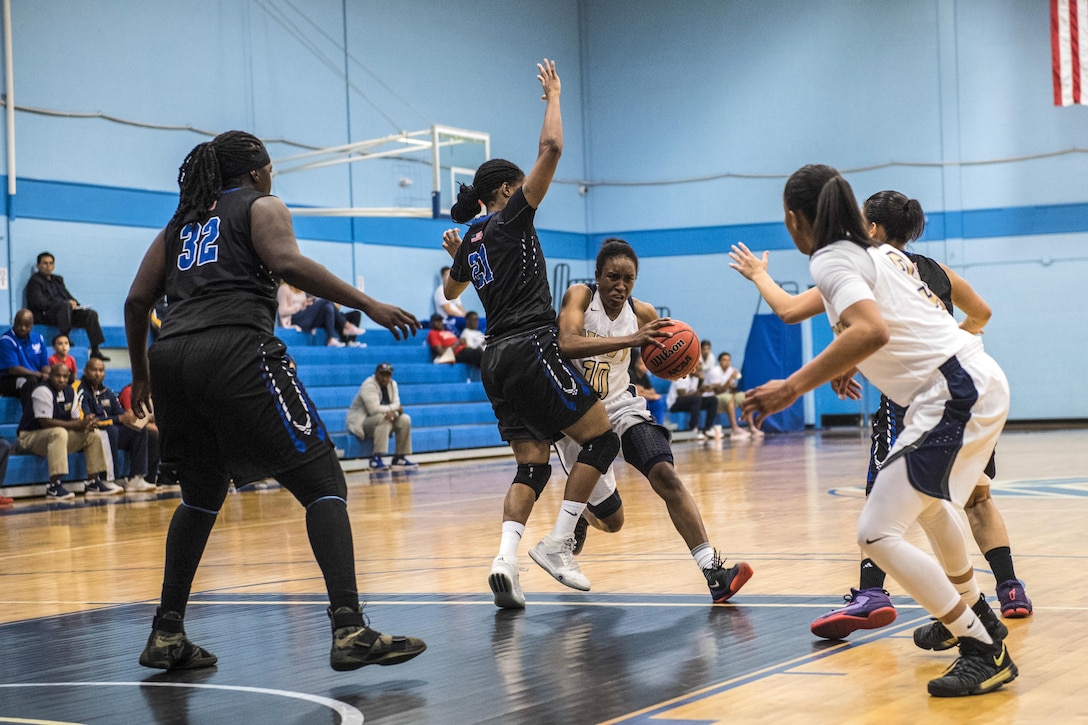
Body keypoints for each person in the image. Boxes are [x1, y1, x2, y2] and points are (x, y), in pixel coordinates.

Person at [124, 130, 425, 672]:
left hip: (171, 360)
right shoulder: (262, 205)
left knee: (200, 496)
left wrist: (142, 373)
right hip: (235, 348)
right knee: (323, 482)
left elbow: (136, 298)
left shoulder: (180, 223)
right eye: (270, 167)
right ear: (258, 171)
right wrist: (369, 304)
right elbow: (286, 262)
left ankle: (166, 632)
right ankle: (349, 627)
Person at [742, 164, 1017, 697]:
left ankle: (983, 646)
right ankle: (979, 613)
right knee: (932, 508)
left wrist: (791, 388)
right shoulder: (877, 254)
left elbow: (871, 328)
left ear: (796, 220)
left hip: (952, 394)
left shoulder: (831, 258)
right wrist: (758, 274)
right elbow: (800, 312)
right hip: (968, 385)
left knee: (876, 532)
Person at [441, 59, 620, 608]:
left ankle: (505, 561)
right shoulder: (508, 219)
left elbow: (451, 294)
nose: (529, 192)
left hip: (494, 358)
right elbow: (553, 151)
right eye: (519, 187)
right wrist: (554, 97)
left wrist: (459, 257)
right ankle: (560, 542)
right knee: (603, 437)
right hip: (529, 345)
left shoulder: (470, 240)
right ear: (505, 190)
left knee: (532, 464)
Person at [555, 238, 753, 603]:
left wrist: (684, 363)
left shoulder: (642, 312)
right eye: (612, 277)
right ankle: (582, 515)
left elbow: (671, 347)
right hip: (579, 418)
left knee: (665, 473)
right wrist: (633, 339)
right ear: (597, 276)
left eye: (628, 278)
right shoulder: (580, 297)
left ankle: (714, 572)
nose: (620, 285)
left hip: (622, 408)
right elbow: (565, 343)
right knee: (614, 522)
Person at [16, 362, 116, 499]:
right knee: (59, 432)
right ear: (50, 375)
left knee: (93, 433)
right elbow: (45, 422)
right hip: (28, 437)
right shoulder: (42, 391)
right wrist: (77, 425)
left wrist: (86, 423)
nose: (61, 380)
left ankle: (93, 482)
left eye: (64, 376)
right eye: (58, 376)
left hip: (54, 439)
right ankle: (54, 486)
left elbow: (76, 420)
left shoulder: (70, 391)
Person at [75, 357, 154, 492]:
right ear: (86, 371)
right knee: (110, 430)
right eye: (94, 370)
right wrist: (117, 419)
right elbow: (86, 420)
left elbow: (121, 414)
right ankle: (108, 479)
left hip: (110, 431)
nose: (98, 373)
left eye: (101, 370)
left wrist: (128, 417)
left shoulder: (108, 392)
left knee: (138, 430)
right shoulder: (80, 390)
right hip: (88, 433)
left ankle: (136, 478)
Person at [25, 252, 110, 361]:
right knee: (64, 305)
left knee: (90, 314)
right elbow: (38, 303)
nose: (48, 266)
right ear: (38, 266)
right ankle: (65, 338)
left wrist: (75, 303)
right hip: (46, 315)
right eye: (45, 263)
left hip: (64, 314)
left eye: (51, 263)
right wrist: (64, 303)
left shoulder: (58, 280)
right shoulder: (35, 281)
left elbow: (68, 296)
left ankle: (95, 350)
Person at [345, 362, 416, 470]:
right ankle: (376, 458)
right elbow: (374, 410)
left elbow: (398, 406)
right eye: (382, 375)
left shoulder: (393, 384)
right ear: (376, 374)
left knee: (405, 419)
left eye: (387, 375)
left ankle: (399, 458)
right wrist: (394, 410)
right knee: (383, 418)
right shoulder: (368, 385)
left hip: (383, 421)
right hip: (361, 423)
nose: (385, 378)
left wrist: (395, 413)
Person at [277, 281, 364, 348]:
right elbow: (282, 311)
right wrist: (298, 306)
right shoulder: (284, 288)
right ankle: (346, 326)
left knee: (327, 307)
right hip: (294, 320)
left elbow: (302, 307)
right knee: (325, 301)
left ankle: (331, 338)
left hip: (304, 317)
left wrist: (305, 304)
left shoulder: (300, 290)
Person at [119, 382, 170, 490]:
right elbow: (132, 420)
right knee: (153, 436)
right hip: (128, 429)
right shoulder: (130, 392)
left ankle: (166, 477)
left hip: (144, 427)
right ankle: (146, 478)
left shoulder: (153, 394)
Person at [0, 309, 51, 398]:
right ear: (14, 322)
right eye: (19, 324)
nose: (23, 328)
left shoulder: (39, 338)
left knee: (59, 379)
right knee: (29, 381)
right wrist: (40, 375)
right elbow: (14, 369)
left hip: (35, 376)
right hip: (10, 379)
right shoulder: (6, 340)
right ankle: (29, 412)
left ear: (32, 325)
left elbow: (44, 365)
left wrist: (51, 375)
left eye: (27, 325)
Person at [708, 352, 758, 438]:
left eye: (729, 360)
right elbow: (718, 391)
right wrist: (730, 379)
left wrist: (733, 388)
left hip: (726, 395)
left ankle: (752, 427)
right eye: (724, 360)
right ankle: (735, 428)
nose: (727, 362)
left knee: (744, 396)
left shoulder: (731, 370)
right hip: (712, 397)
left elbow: (731, 390)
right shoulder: (714, 371)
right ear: (719, 362)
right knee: (729, 398)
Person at [666, 363, 718, 440]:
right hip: (675, 404)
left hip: (690, 403)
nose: (700, 373)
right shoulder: (682, 377)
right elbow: (682, 395)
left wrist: (702, 386)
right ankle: (693, 428)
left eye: (701, 371)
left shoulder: (695, 378)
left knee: (712, 400)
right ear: (692, 369)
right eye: (699, 371)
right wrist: (700, 389)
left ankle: (708, 429)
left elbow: (696, 393)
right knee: (696, 399)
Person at [629, 351, 666, 424]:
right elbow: (637, 393)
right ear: (636, 364)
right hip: (633, 401)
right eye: (642, 364)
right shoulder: (631, 373)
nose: (645, 367)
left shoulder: (644, 376)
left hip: (645, 398)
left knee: (658, 402)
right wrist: (650, 396)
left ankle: (658, 425)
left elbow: (652, 391)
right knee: (645, 401)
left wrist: (643, 391)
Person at [434, 266, 468, 332]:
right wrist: (464, 317)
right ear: (442, 277)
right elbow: (449, 311)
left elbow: (460, 306)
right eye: (447, 274)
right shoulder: (440, 290)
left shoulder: (454, 289)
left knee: (481, 321)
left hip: (460, 317)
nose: (449, 277)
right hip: (448, 319)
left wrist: (467, 316)